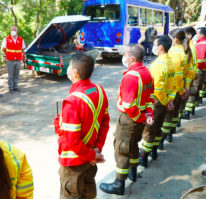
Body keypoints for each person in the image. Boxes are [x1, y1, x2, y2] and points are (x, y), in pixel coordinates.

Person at [100, 44, 154, 196]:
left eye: (125, 54)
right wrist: (148, 115)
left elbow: (129, 105)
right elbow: (150, 98)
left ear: (131, 58)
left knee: (121, 149)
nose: (123, 56)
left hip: (130, 119)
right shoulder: (147, 72)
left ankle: (119, 184)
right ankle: (133, 172)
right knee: (133, 145)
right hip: (139, 117)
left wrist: (143, 117)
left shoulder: (131, 76)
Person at [53, 53, 110, 199]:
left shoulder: (72, 101)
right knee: (89, 193)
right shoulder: (99, 90)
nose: (68, 69)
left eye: (69, 67)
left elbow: (72, 141)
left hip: (74, 163)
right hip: (90, 158)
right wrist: (96, 149)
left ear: (75, 73)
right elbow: (104, 122)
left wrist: (92, 155)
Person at [139, 35, 175, 167]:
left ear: (160, 47)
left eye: (154, 45)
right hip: (166, 100)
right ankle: (153, 151)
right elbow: (172, 84)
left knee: (149, 130)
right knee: (158, 127)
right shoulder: (170, 62)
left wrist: (165, 102)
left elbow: (157, 89)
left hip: (156, 101)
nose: (153, 47)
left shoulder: (158, 65)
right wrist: (169, 101)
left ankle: (143, 156)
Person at [160, 28, 191, 145]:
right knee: (173, 114)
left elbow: (176, 76)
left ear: (176, 39)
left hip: (174, 89)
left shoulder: (176, 54)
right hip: (178, 87)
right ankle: (168, 135)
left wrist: (177, 92)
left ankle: (162, 139)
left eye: (171, 37)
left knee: (168, 116)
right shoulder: (181, 51)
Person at [2, 26, 26, 94]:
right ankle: (10, 87)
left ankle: (15, 86)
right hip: (10, 59)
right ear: (10, 31)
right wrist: (8, 54)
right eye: (12, 30)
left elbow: (23, 48)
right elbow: (3, 48)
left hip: (18, 59)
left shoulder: (21, 39)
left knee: (16, 74)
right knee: (10, 75)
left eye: (14, 30)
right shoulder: (6, 39)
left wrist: (18, 54)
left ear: (17, 31)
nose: (13, 31)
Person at [182, 27, 198, 118]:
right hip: (189, 76)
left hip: (187, 77)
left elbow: (192, 64)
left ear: (189, 36)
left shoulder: (190, 48)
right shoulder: (191, 46)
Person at [195, 27, 206, 104]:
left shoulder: (201, 44)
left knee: (196, 88)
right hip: (203, 68)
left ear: (202, 35)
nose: (196, 35)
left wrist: (204, 68)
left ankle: (188, 111)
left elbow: (200, 59)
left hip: (201, 69)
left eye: (197, 33)